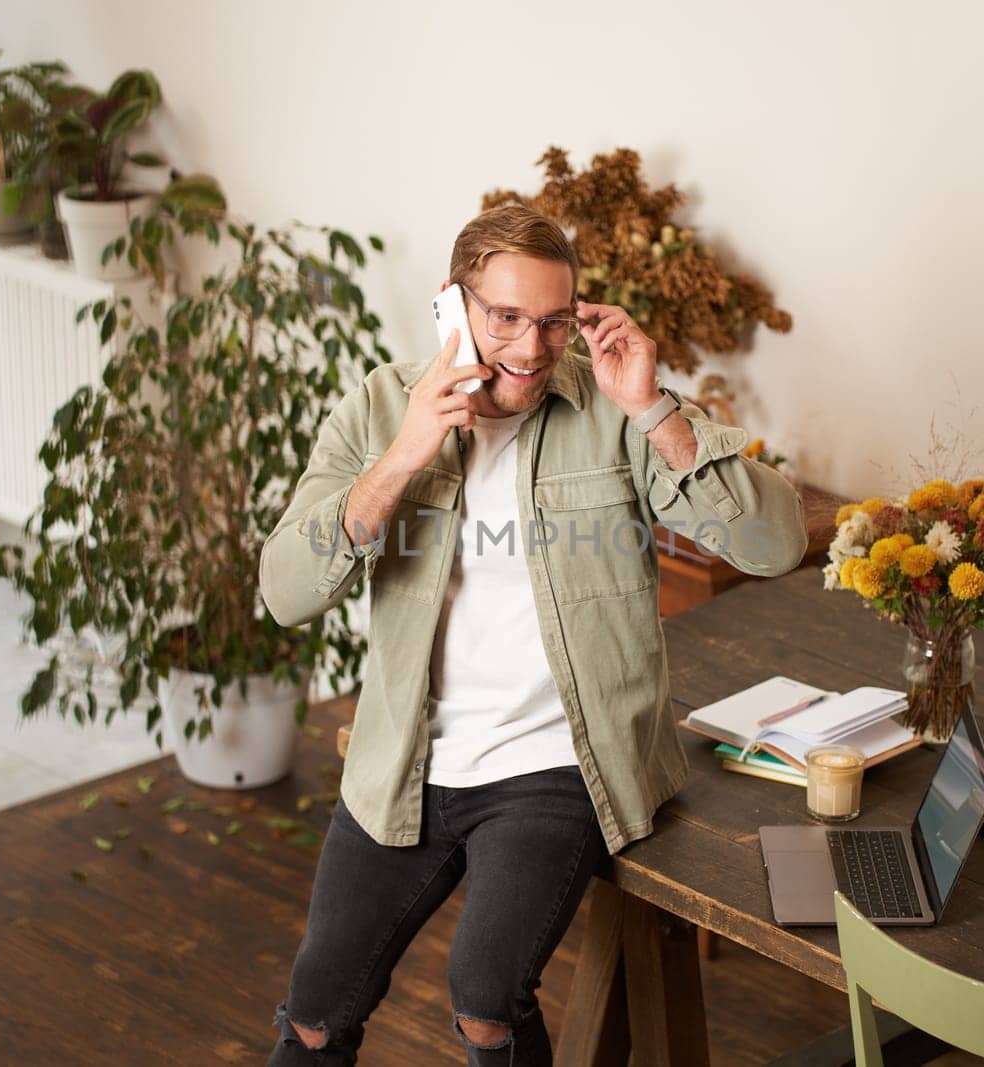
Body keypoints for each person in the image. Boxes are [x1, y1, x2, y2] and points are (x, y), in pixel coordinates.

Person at [259, 203, 807, 1064]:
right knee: (316, 1013)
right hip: (404, 758)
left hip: (553, 764)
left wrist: (655, 407)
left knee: (485, 994)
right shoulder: (378, 408)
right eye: (506, 317)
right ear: (453, 304)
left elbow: (775, 545)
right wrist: (403, 455)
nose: (529, 347)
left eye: (554, 322)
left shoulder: (612, 408)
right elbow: (284, 590)